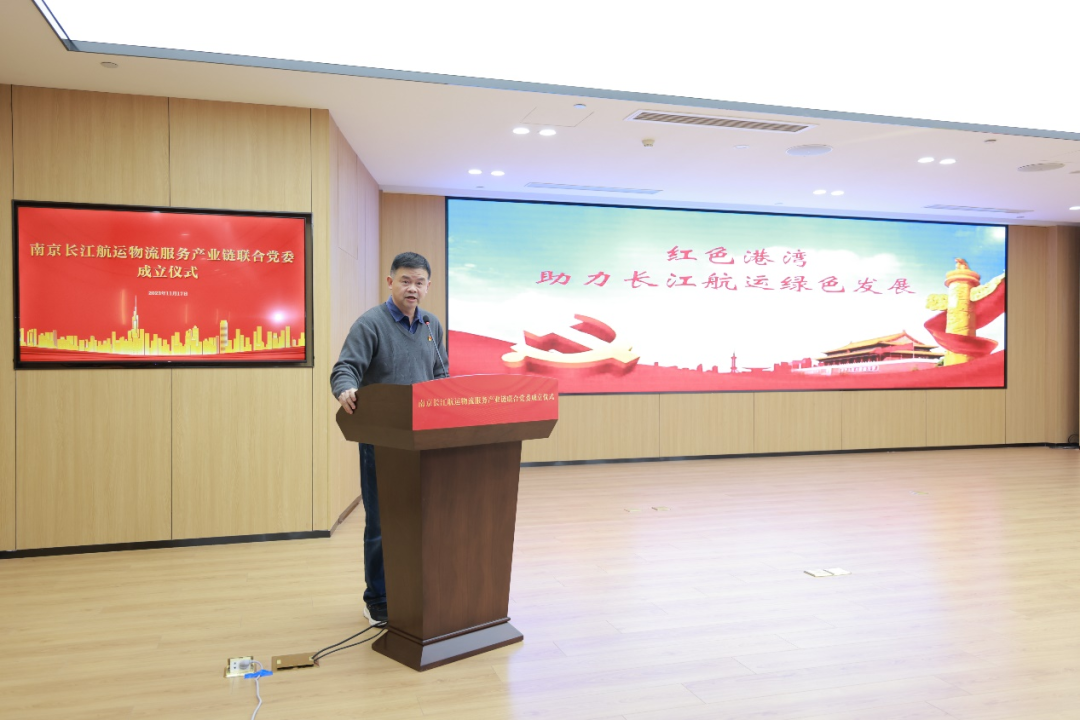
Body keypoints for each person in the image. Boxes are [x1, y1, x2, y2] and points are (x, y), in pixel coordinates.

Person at [330, 251, 448, 626]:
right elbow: (345, 368)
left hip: (425, 437)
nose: (412, 288)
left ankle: (416, 589)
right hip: (382, 439)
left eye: (419, 282)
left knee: (422, 517)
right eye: (405, 280)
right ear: (390, 282)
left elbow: (441, 373)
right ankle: (377, 598)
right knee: (382, 522)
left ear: (428, 286)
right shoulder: (371, 324)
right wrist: (345, 389)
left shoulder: (431, 324)